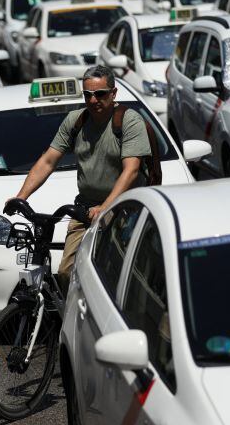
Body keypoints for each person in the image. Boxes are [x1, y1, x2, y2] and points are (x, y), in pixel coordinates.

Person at [11, 65, 151, 289]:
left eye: (100, 94)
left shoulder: (129, 121)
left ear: (113, 94)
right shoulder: (75, 120)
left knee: (116, 278)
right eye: (88, 95)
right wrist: (21, 197)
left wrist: (105, 207)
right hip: (86, 208)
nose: (93, 100)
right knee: (67, 273)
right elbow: (48, 161)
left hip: (124, 206)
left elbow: (131, 170)